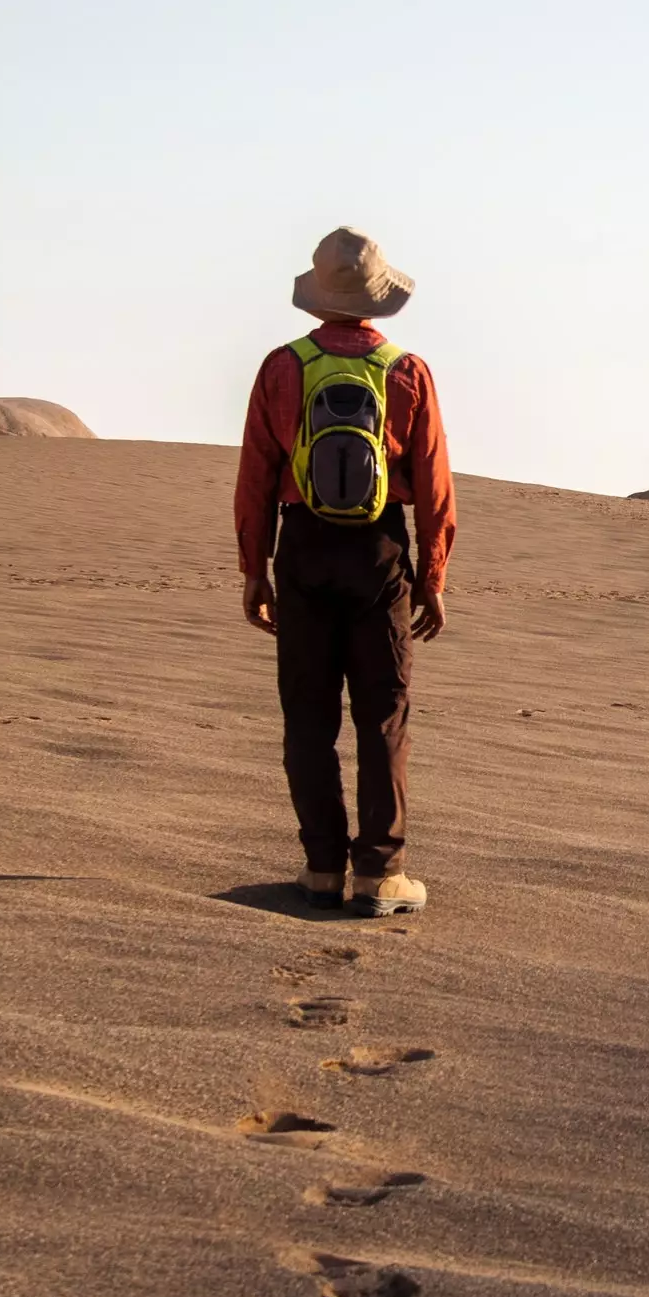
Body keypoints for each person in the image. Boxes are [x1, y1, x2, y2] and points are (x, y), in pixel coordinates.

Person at [235, 227, 455, 914]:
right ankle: (380, 875)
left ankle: (323, 868)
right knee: (383, 717)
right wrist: (434, 577)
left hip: (301, 548)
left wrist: (255, 570)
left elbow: (256, 479)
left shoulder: (281, 367)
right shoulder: (407, 371)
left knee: (307, 717)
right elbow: (435, 484)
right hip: (379, 554)